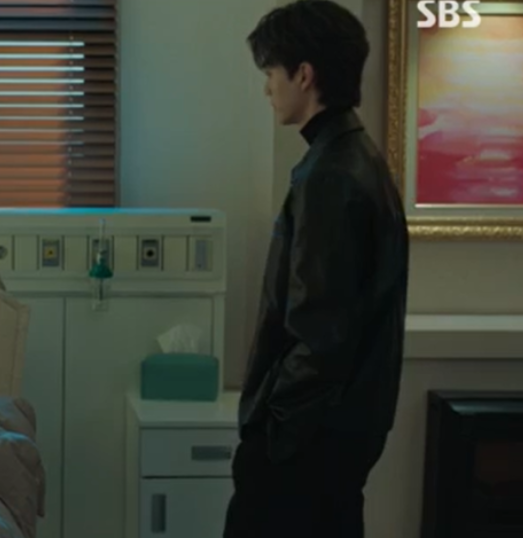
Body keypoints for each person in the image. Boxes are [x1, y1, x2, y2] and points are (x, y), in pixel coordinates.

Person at [224, 2, 410, 537]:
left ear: (304, 75)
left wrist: (270, 433)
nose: (267, 89)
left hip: (305, 446)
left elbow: (319, 336)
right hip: (337, 437)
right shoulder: (359, 158)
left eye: (271, 73)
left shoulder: (331, 175)